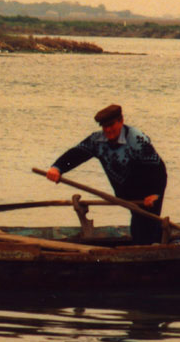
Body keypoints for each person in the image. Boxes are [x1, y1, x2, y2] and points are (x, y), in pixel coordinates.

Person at [46, 104, 167, 245]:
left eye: (111, 125)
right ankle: (153, 244)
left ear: (121, 121)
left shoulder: (136, 139)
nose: (108, 130)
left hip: (149, 189)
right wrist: (57, 168)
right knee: (139, 226)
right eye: (104, 126)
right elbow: (77, 154)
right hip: (127, 192)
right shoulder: (97, 141)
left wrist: (155, 193)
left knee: (146, 227)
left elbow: (158, 169)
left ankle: (152, 252)